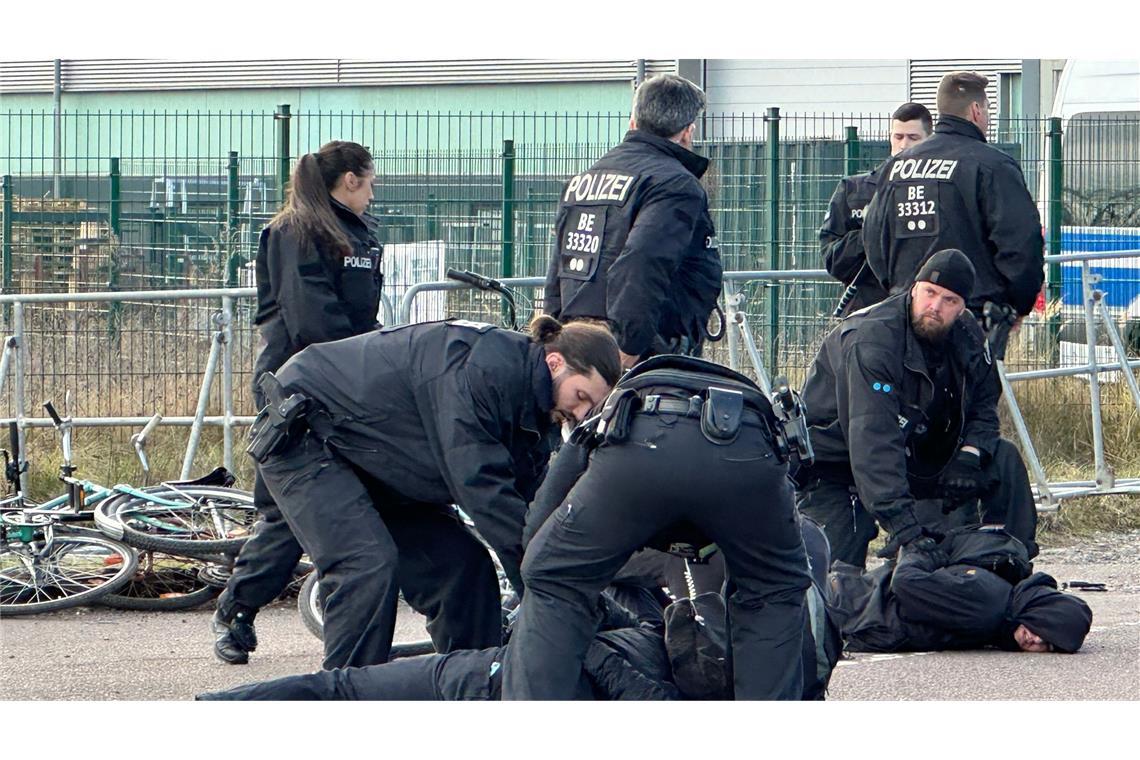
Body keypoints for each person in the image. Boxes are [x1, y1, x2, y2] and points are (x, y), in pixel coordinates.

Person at [247, 315, 620, 670]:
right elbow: (483, 490)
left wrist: (573, 585)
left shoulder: (537, 406)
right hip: (306, 429)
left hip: (380, 459)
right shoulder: (482, 370)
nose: (581, 412)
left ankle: (476, 687)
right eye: (582, 396)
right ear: (555, 363)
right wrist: (545, 591)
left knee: (463, 569)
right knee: (365, 566)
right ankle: (348, 697)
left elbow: (531, 509)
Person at [195, 519, 841, 701]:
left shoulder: (743, 654)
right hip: (552, 664)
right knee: (351, 689)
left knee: (350, 689)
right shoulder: (791, 647)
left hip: (536, 680)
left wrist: (576, 636)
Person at [502, 355, 813, 700]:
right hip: (749, 445)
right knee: (774, 592)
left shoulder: (610, 412)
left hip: (641, 440)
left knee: (553, 580)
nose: (575, 413)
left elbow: (537, 531)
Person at [212, 140, 384, 665]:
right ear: (350, 178)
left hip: (348, 379)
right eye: (371, 180)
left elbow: (355, 314)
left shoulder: (354, 231)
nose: (374, 192)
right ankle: (236, 611)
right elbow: (312, 319)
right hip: (295, 387)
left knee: (365, 504)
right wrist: (362, 358)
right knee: (286, 515)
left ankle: (344, 614)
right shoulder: (295, 230)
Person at [797, 249, 1039, 570]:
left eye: (949, 300)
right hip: (836, 463)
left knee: (1003, 459)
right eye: (930, 293)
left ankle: (1007, 563)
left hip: (914, 453)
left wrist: (969, 455)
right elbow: (874, 440)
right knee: (836, 579)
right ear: (914, 289)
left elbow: (984, 402)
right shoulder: (874, 342)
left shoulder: (966, 335)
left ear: (962, 307)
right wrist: (904, 527)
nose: (935, 308)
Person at [543, 73, 723, 369]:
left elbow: (559, 268)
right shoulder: (675, 184)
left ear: (633, 122)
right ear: (687, 132)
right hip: (645, 354)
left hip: (574, 345)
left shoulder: (583, 181)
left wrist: (551, 338)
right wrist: (630, 343)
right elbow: (642, 260)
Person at [862, 71, 1045, 348]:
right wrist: (1017, 305)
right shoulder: (992, 166)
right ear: (976, 110)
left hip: (907, 315)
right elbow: (1021, 243)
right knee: (967, 391)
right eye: (987, 111)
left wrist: (900, 294)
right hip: (972, 318)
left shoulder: (896, 167)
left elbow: (873, 239)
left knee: (913, 389)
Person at [826, 527, 1092, 655]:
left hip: (852, 610)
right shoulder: (988, 605)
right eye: (1043, 630)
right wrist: (921, 550)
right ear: (1038, 612)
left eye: (1048, 645)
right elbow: (906, 582)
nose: (1036, 641)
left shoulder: (1003, 611)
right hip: (848, 608)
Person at [821, 103, 932, 316]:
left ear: (929, 139)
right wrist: (872, 233)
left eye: (913, 137)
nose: (904, 145)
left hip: (925, 313)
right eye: (898, 137)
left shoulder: (942, 192)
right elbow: (833, 260)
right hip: (868, 310)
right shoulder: (854, 190)